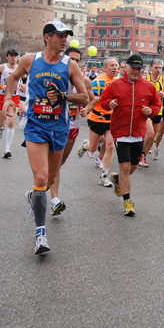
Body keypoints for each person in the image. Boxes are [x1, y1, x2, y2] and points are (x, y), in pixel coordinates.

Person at [4, 21, 88, 255]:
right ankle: (40, 233)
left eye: (66, 36)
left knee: (50, 178)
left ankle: (33, 196)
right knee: (40, 177)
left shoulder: (70, 65)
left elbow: (84, 97)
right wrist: (9, 98)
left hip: (59, 128)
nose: (65, 40)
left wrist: (64, 96)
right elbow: (13, 78)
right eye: (60, 36)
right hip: (35, 126)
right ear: (47, 37)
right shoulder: (30, 60)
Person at [100, 55, 162, 216]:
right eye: (133, 68)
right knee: (125, 166)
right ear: (126, 67)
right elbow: (103, 100)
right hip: (120, 132)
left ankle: (118, 179)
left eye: (138, 68)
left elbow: (156, 104)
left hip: (138, 132)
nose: (135, 71)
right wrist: (109, 104)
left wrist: (152, 111)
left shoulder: (148, 86)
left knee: (133, 167)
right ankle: (128, 202)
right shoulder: (116, 85)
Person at [49, 47, 94, 214]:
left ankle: (38, 191)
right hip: (53, 125)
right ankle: (54, 199)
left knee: (59, 163)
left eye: (77, 60)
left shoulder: (85, 81)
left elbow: (91, 100)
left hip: (72, 127)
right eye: (71, 59)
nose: (74, 63)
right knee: (52, 164)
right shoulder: (54, 77)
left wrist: (86, 109)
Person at [77, 56, 119, 187]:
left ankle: (104, 176)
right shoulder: (98, 81)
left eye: (116, 65)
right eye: (112, 65)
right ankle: (85, 146)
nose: (115, 68)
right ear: (105, 67)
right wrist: (103, 100)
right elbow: (91, 97)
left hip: (111, 119)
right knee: (93, 147)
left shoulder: (120, 82)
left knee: (110, 145)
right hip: (96, 117)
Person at [0, 48, 20, 158]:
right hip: (2, 97)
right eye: (11, 55)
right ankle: (1, 127)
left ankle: (7, 149)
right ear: (7, 57)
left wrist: (24, 86)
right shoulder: (2, 67)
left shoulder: (20, 68)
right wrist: (1, 86)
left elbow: (25, 80)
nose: (13, 57)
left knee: (11, 121)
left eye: (15, 55)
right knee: (2, 122)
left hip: (14, 97)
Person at [141, 59, 164, 166]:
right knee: (150, 134)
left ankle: (143, 156)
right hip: (146, 111)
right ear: (151, 68)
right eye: (156, 67)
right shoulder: (144, 79)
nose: (158, 70)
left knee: (152, 137)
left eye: (160, 68)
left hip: (158, 111)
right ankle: (139, 155)